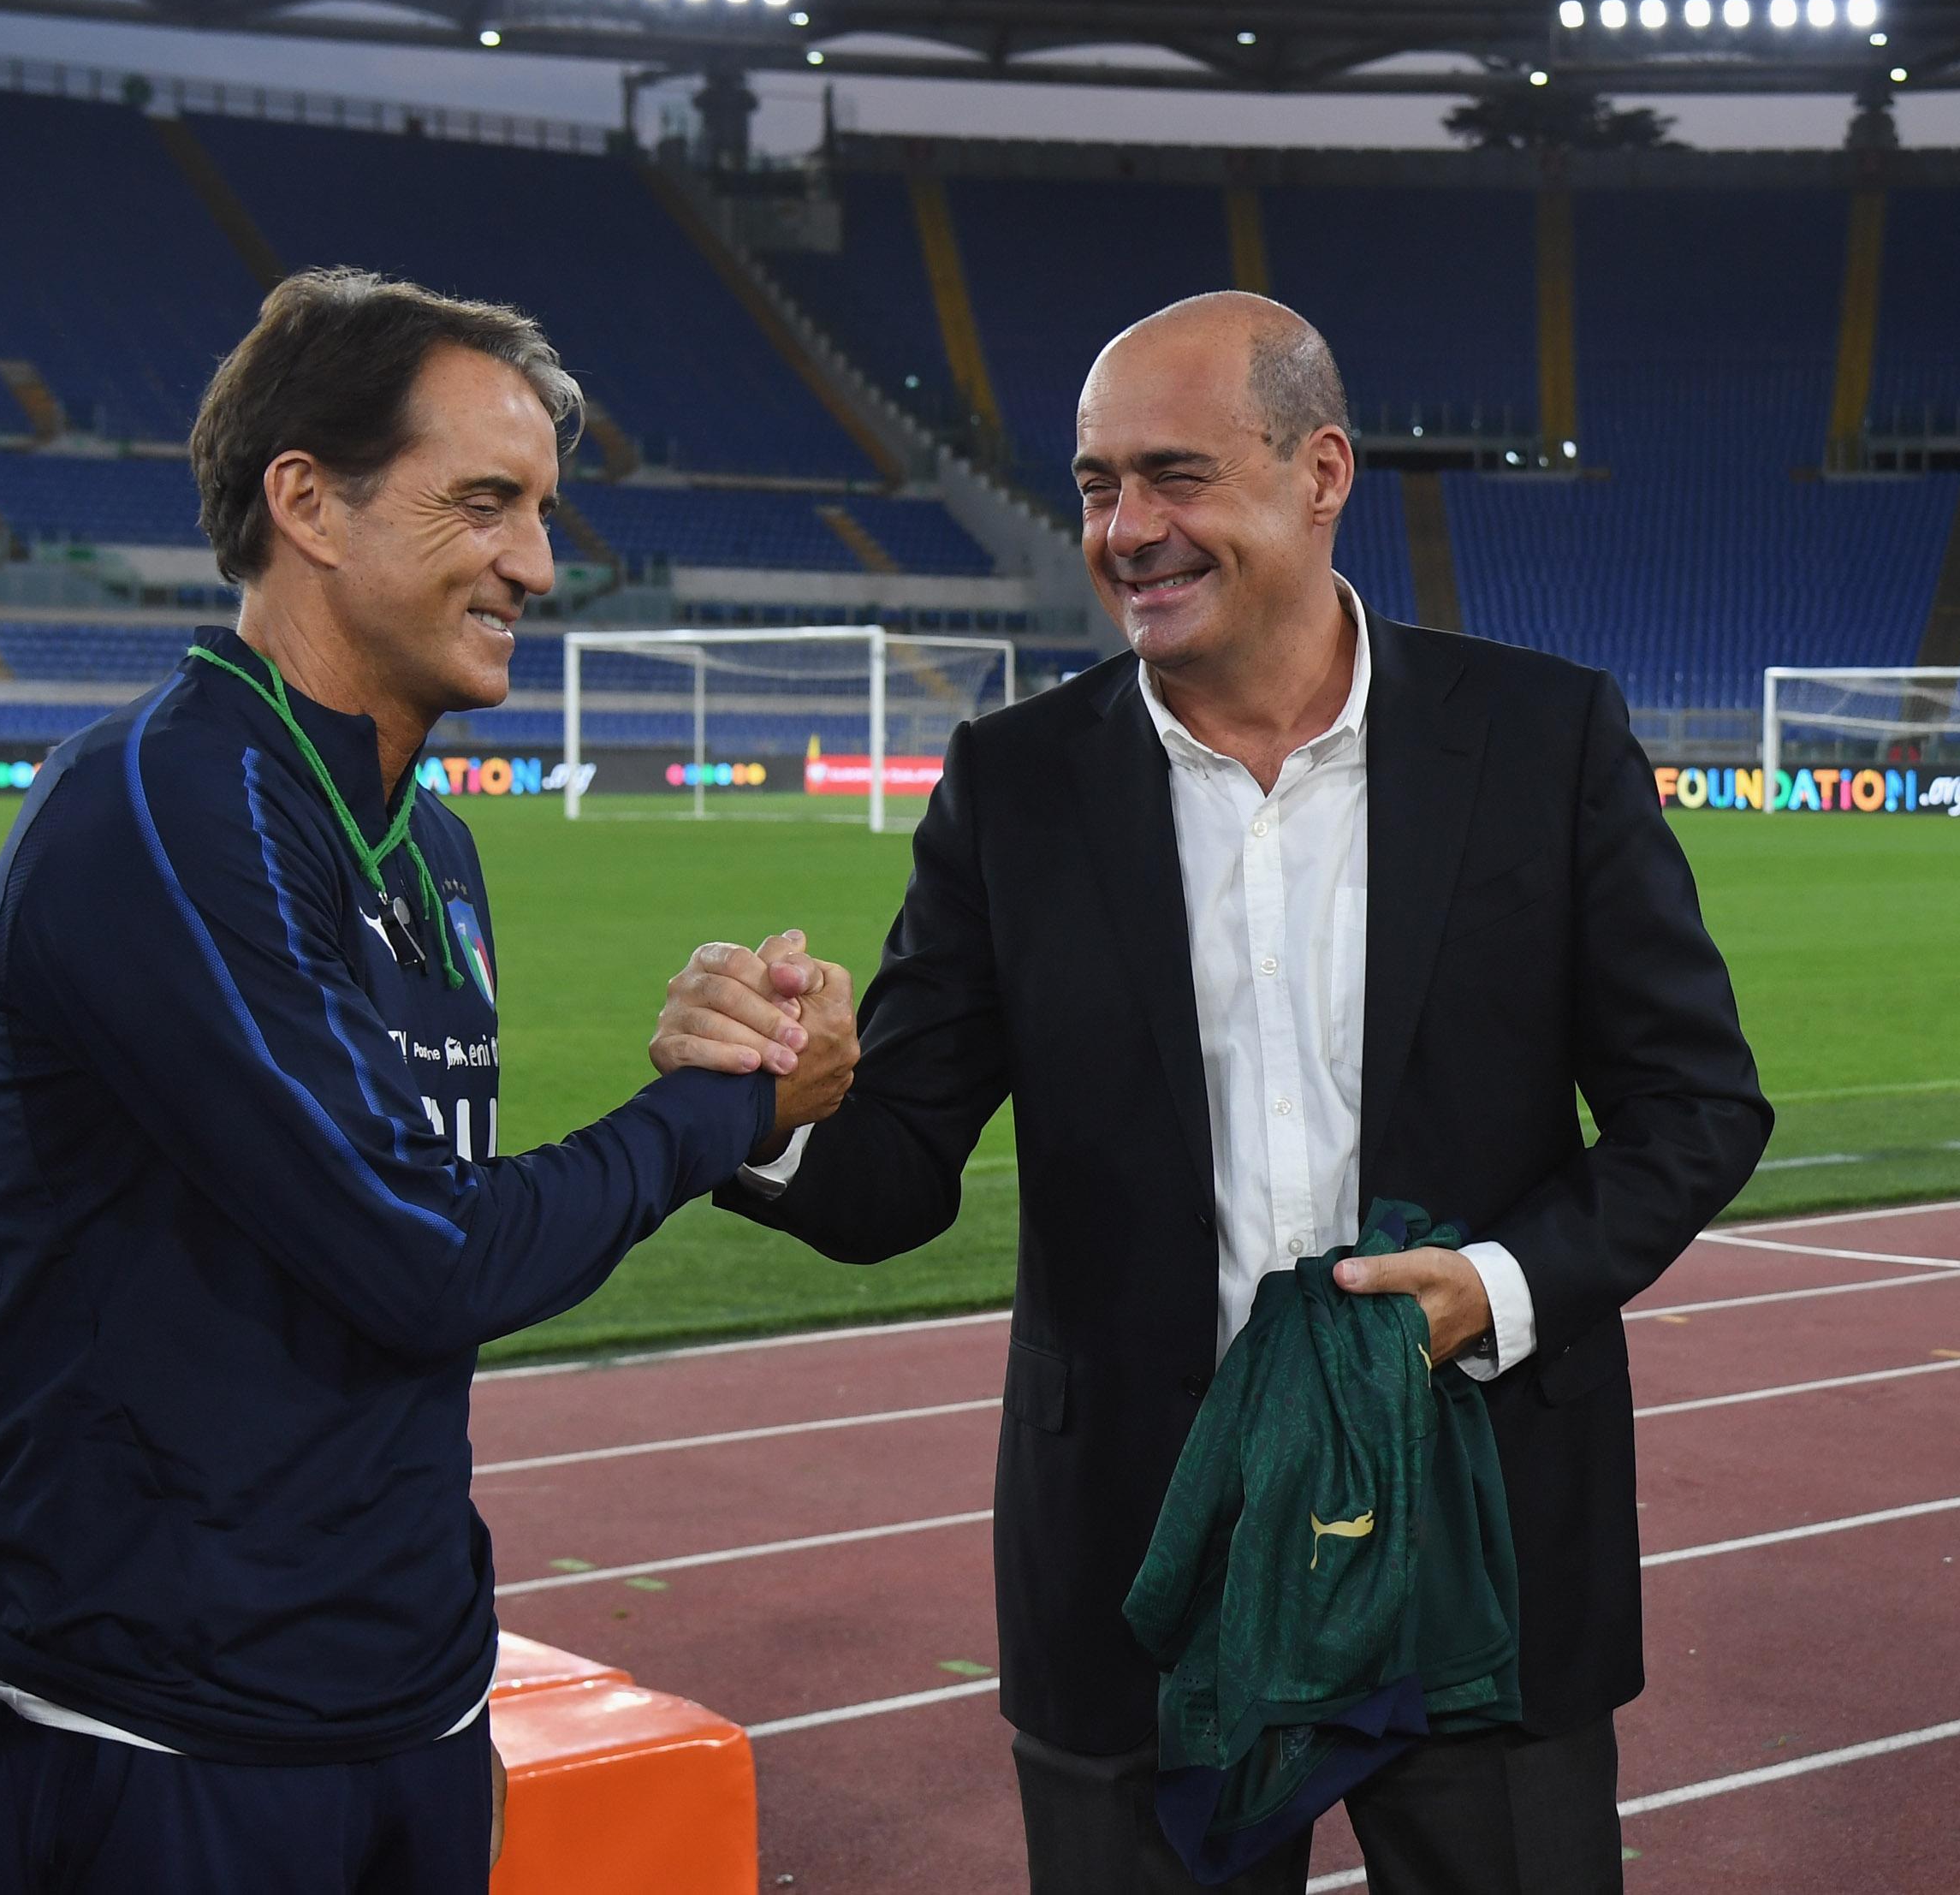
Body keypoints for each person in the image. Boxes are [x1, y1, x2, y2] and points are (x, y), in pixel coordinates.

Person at [664, 293, 1773, 1893]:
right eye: (1097, 482)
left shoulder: (1542, 738)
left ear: (1322, 471)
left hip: (1477, 1524)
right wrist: (764, 1099)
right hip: (1140, 1556)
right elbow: (893, 1167)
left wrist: (1495, 1289)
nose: (1125, 530)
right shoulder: (1016, 783)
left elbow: (1697, 1107)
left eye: (1173, 476)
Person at [0, 269, 855, 1895]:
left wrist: (725, 1052)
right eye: (483, 503)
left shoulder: (432, 844)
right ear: (310, 502)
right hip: (148, 1728)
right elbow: (424, 1254)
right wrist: (730, 1105)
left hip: (403, 1695)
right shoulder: (161, 809)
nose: (536, 566)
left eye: (544, 514)